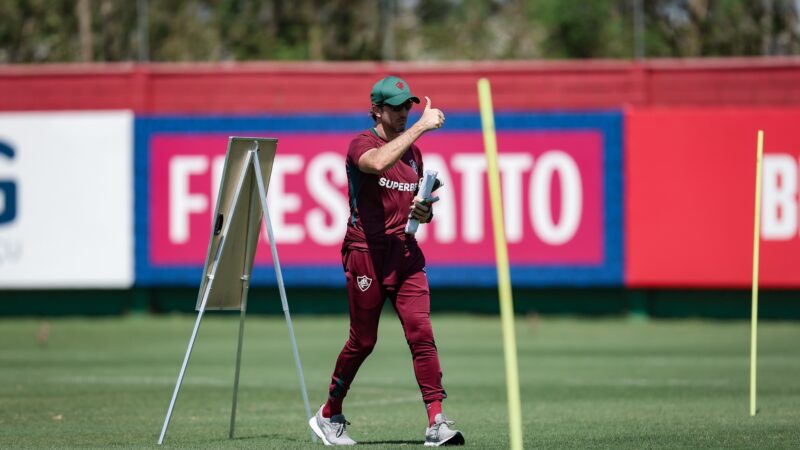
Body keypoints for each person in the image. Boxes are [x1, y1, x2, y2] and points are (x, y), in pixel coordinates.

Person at [308, 75, 465, 447]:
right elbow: (377, 162)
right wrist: (423, 126)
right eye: (395, 108)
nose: (403, 114)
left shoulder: (413, 152)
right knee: (363, 341)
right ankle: (329, 414)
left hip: (405, 252)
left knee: (421, 333)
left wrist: (423, 211)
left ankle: (436, 421)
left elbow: (410, 201)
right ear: (376, 109)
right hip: (365, 254)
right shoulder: (361, 144)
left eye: (407, 107)